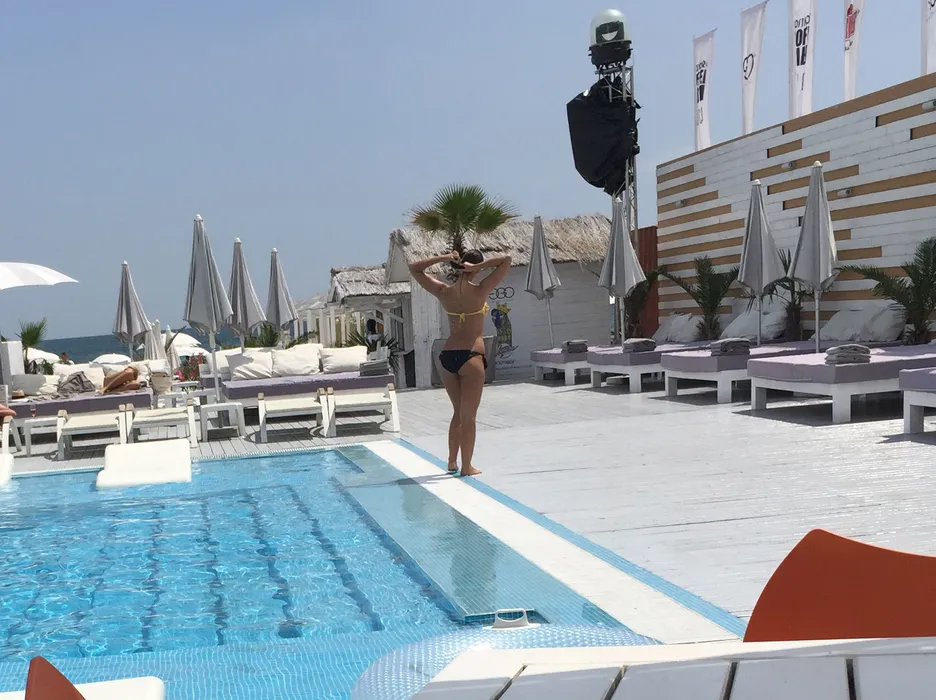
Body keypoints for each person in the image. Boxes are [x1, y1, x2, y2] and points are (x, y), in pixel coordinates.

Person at [408, 249, 511, 476]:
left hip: (448, 356)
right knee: (468, 416)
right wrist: (478, 267)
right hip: (471, 356)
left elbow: (414, 268)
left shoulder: (444, 291)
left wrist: (444, 258)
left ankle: (452, 461)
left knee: (458, 412)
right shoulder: (481, 289)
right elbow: (506, 260)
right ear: (474, 268)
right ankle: (467, 466)